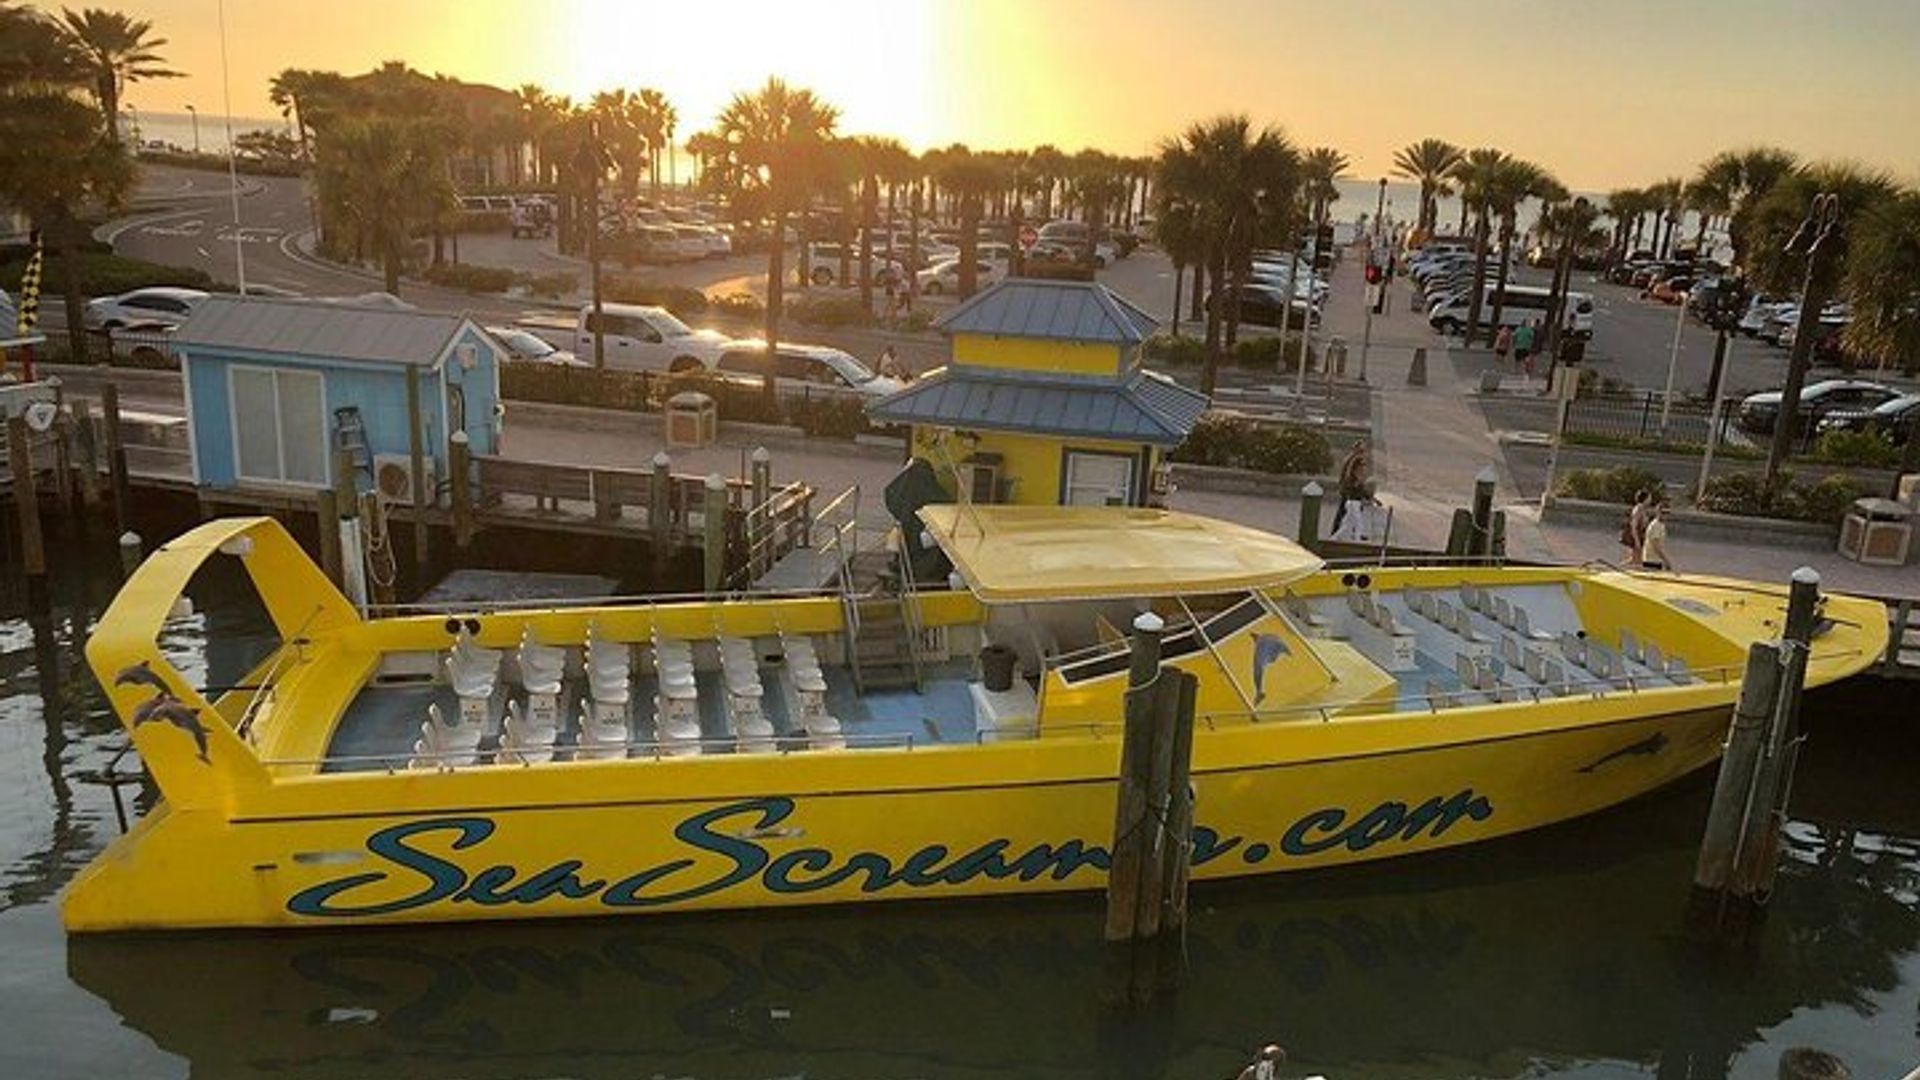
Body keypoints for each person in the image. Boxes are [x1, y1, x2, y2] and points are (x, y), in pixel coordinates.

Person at [1331, 438, 1369, 533]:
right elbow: (1354, 476)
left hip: (1347, 489)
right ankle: (1343, 531)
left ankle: (1349, 530)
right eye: (1361, 450)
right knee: (1347, 512)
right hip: (1351, 491)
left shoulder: (1350, 458)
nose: (1363, 453)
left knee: (1348, 511)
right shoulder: (1355, 460)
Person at [1640, 499, 1674, 571]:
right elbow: (1656, 547)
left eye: (1667, 513)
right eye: (1663, 512)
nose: (1665, 515)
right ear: (1658, 512)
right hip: (1651, 561)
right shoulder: (1656, 526)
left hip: (1655, 560)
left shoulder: (1661, 525)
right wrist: (1666, 561)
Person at [1621, 489, 1651, 567]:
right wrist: (1636, 540)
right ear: (1645, 499)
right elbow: (1633, 526)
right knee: (1636, 559)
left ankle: (1624, 567)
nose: (1650, 500)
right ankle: (1624, 568)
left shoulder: (1643, 509)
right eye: (1649, 498)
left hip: (1640, 535)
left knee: (1635, 559)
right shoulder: (1638, 509)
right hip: (1636, 536)